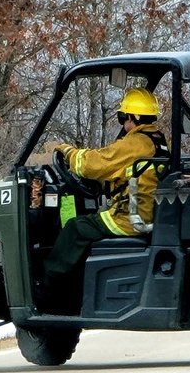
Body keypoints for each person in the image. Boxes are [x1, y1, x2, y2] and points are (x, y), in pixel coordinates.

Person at [36, 87, 170, 313]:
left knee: (75, 228)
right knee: (84, 226)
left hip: (128, 218)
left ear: (131, 118)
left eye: (122, 117)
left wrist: (68, 152)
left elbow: (93, 164)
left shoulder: (135, 142)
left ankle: (47, 290)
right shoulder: (158, 141)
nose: (123, 123)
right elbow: (121, 172)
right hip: (147, 214)